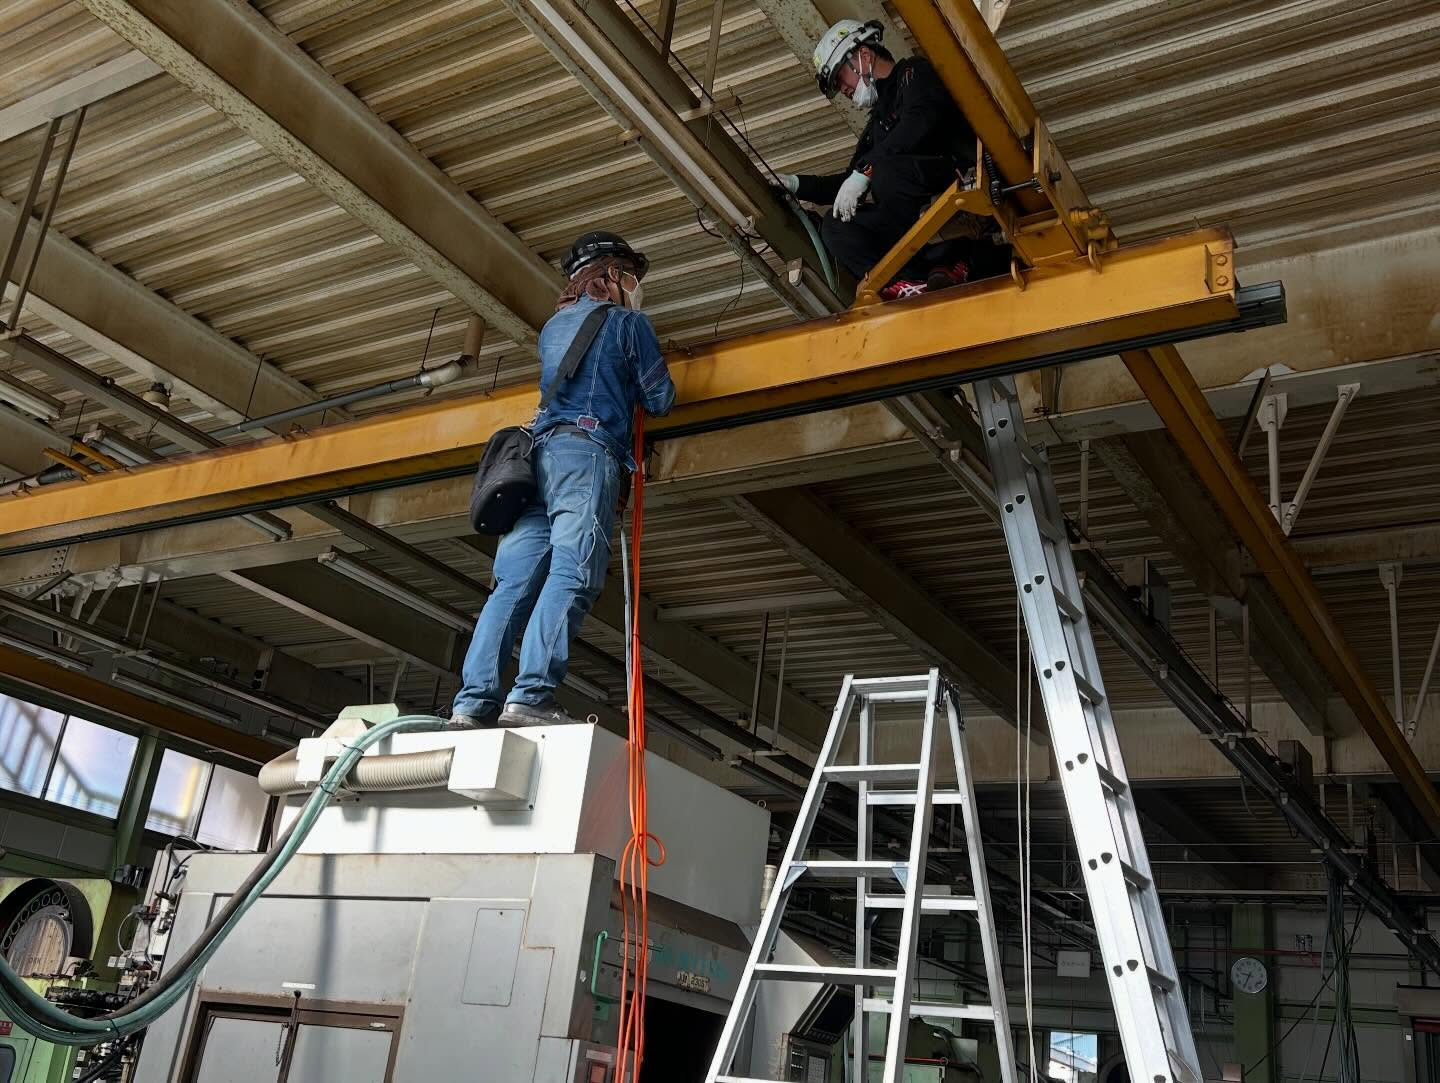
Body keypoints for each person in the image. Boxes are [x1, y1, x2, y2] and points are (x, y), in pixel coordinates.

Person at [450, 231, 676, 728]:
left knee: (511, 587)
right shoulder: (627, 322)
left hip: (539, 460)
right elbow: (660, 398)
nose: (637, 289)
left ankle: (472, 703)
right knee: (573, 571)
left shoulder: (554, 328)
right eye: (632, 278)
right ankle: (530, 695)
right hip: (584, 456)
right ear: (613, 276)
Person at [775, 20, 999, 300]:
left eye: (840, 77)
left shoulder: (914, 73)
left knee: (885, 172)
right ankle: (904, 282)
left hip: (955, 185)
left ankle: (955, 257)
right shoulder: (878, 123)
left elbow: (919, 121)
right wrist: (796, 184)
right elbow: (849, 181)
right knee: (836, 224)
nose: (842, 89)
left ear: (863, 56)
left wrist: (868, 170)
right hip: (910, 214)